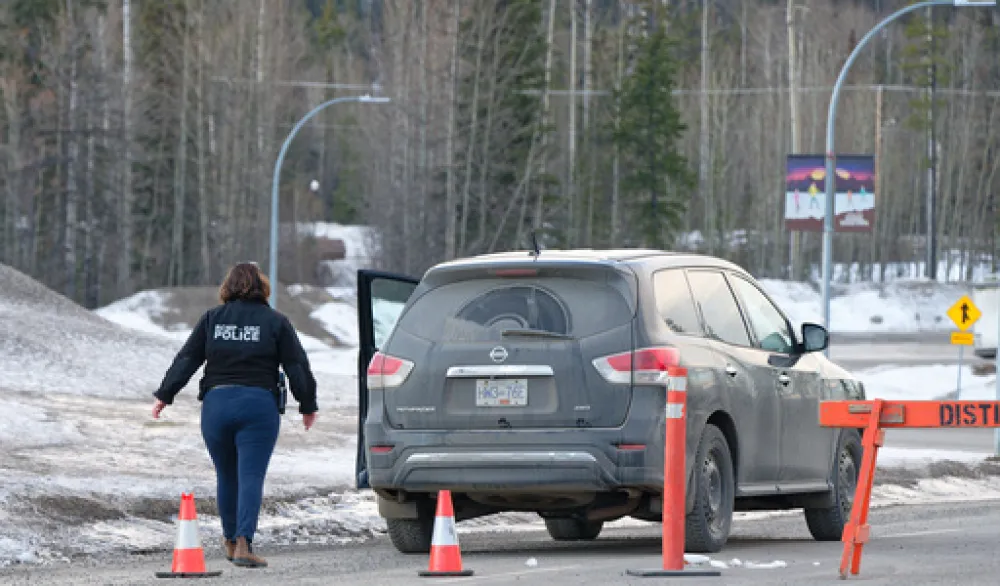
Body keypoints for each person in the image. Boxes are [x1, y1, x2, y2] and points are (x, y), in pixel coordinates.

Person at [151, 262, 318, 568]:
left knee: (226, 475)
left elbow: (187, 358)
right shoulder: (275, 321)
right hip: (258, 406)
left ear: (227, 286)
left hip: (217, 405)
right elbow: (296, 365)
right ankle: (244, 543)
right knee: (250, 475)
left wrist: (165, 395)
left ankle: (229, 541)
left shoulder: (212, 319)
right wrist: (307, 404)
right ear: (262, 287)